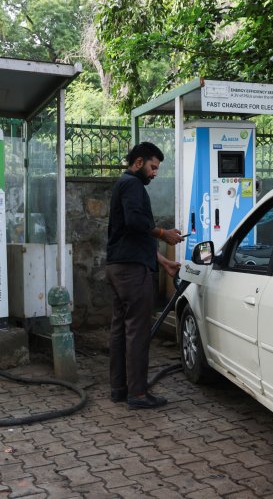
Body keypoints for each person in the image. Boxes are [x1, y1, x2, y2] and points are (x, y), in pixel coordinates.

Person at [106, 141, 183, 410]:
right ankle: (137, 394)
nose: (154, 173)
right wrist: (165, 235)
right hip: (131, 272)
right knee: (137, 332)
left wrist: (161, 261)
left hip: (120, 267)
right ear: (139, 163)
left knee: (120, 330)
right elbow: (135, 222)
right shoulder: (132, 184)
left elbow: (131, 237)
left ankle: (119, 388)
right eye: (152, 167)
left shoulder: (125, 184)